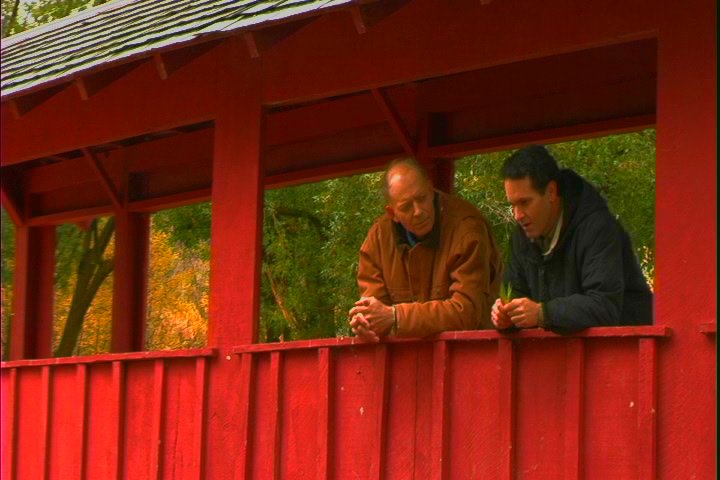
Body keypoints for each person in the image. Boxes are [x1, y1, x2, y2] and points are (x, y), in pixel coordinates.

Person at [491, 145, 653, 333]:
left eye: (525, 202)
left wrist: (543, 313)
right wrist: (505, 317)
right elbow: (517, 297)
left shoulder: (597, 228)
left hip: (629, 353)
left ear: (551, 192)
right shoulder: (522, 237)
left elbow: (604, 306)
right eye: (513, 205)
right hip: (567, 356)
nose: (518, 215)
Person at [349, 158, 502, 342]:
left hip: (472, 357)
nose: (418, 211)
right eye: (406, 207)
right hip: (407, 361)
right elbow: (376, 311)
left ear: (430, 189)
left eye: (422, 198)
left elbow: (467, 311)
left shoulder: (466, 229)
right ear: (392, 214)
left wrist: (396, 317)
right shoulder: (377, 241)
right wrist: (366, 323)